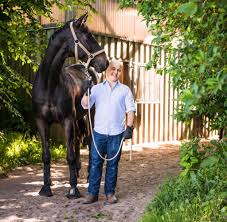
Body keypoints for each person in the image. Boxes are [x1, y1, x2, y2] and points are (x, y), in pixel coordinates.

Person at [81, 59, 136, 204]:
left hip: (116, 134)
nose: (115, 72)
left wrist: (129, 128)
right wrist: (85, 91)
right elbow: (85, 105)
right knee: (95, 163)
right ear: (107, 70)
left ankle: (110, 193)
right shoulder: (97, 88)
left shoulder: (125, 90)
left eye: (118, 70)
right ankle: (92, 194)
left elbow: (130, 110)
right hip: (98, 133)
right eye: (113, 68)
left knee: (112, 165)